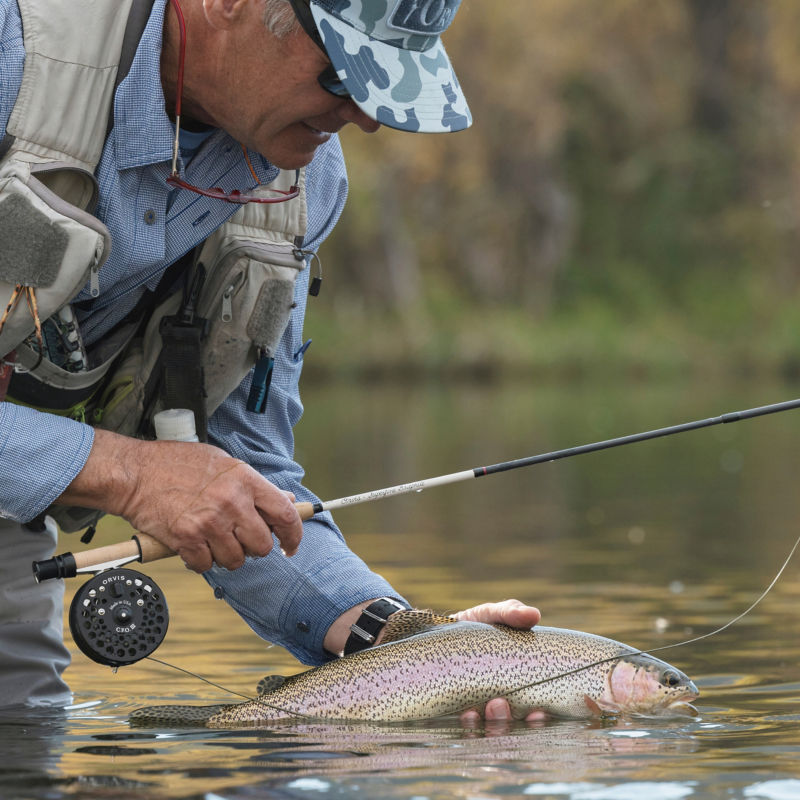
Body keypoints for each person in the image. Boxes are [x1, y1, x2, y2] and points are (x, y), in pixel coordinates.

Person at [0, 0, 541, 721]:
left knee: (24, 736)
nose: (367, 117)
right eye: (344, 74)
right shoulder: (14, 48)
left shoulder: (304, 184)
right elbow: (160, 481)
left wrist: (404, 645)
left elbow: (246, 476)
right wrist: (129, 473)